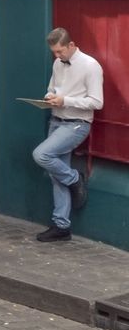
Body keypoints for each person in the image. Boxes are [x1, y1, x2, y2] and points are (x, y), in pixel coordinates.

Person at [31, 27, 103, 243]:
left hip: (77, 124)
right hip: (56, 120)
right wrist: (50, 96)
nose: (57, 56)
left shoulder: (91, 66)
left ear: (71, 45)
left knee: (41, 155)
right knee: (55, 176)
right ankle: (62, 226)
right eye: (54, 52)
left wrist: (66, 101)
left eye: (60, 51)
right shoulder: (57, 63)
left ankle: (74, 178)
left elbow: (97, 102)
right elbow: (53, 88)